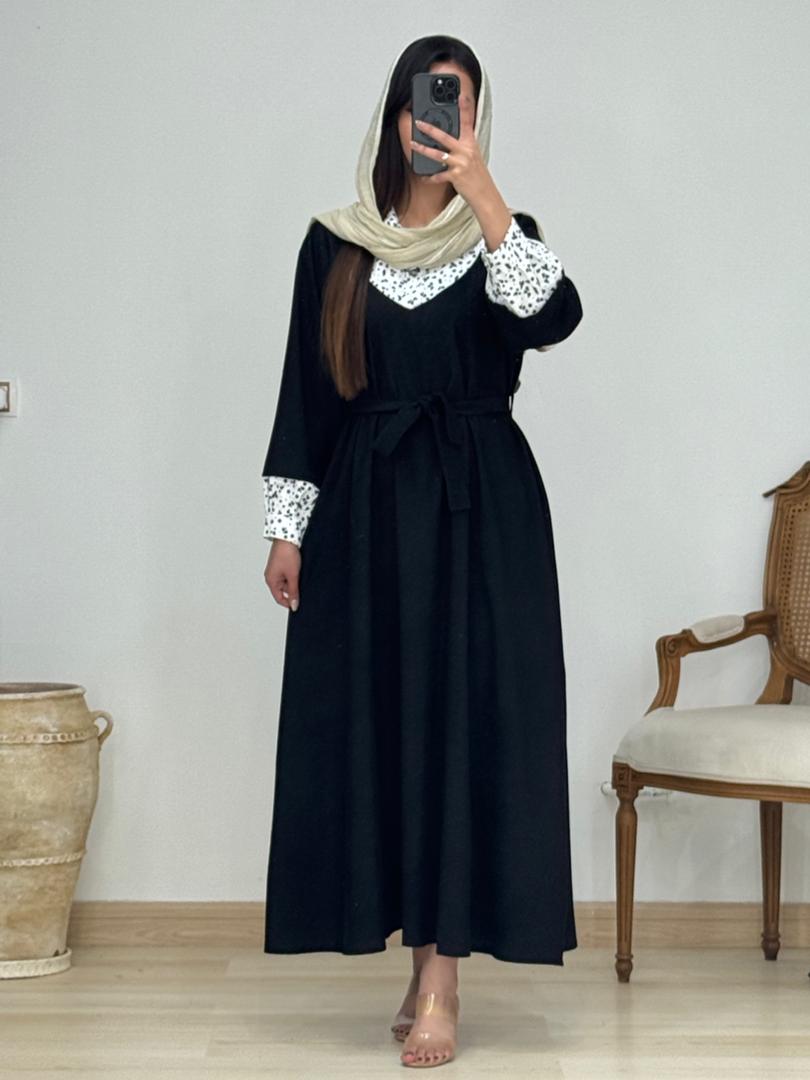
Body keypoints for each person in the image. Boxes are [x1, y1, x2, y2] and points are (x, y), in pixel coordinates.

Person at [260, 33, 583, 1069]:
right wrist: (287, 527)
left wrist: (484, 193)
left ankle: (444, 977)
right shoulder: (336, 245)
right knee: (388, 730)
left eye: (459, 107)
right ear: (394, 115)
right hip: (366, 514)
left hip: (480, 514)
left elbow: (555, 318)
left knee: (465, 729)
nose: (438, 123)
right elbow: (306, 393)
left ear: (476, 123)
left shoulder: (504, 235)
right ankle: (418, 959)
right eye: (424, 103)